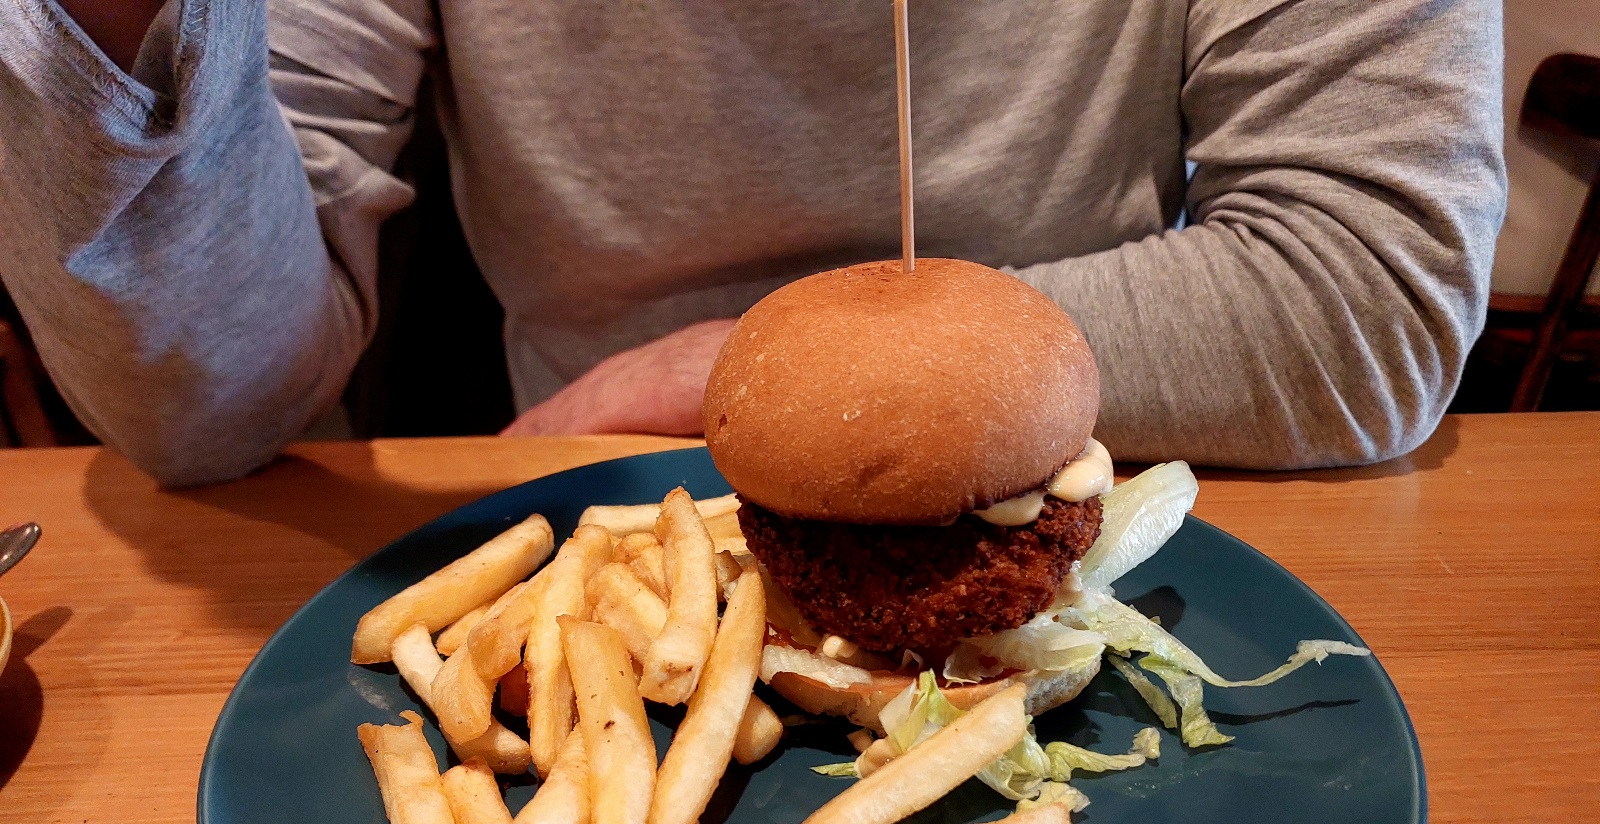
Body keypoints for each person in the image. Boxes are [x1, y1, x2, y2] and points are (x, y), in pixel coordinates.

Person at [0, 0, 1504, 487]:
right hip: (593, 540)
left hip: (1098, 494)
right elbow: (208, 409)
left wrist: (739, 374)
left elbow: (1368, 291)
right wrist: (121, 35)